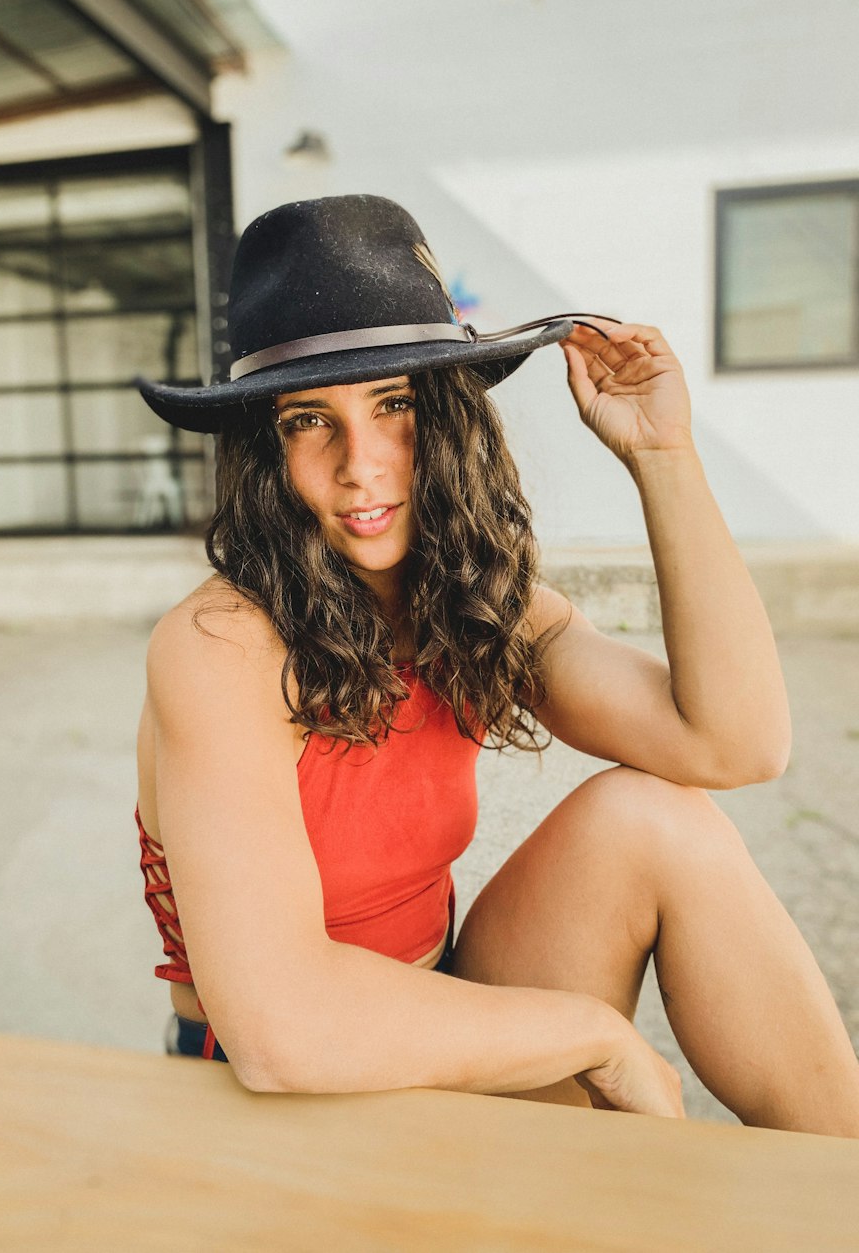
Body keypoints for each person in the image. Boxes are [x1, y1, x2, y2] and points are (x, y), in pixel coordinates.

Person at [134, 193, 859, 1135]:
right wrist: (596, 1035)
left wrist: (665, 456)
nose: (363, 464)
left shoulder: (472, 604)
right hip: (270, 1077)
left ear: (445, 416)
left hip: (438, 1005)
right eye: (309, 421)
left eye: (393, 404)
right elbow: (283, 1030)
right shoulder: (220, 646)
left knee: (656, 816)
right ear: (264, 450)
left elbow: (736, 742)